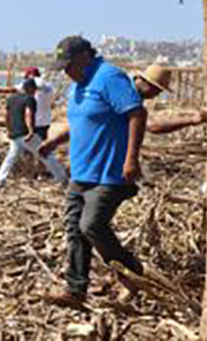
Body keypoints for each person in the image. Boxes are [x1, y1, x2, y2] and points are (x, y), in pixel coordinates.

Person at [39, 36, 148, 308]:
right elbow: (82, 122)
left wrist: (131, 159)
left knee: (92, 226)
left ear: (86, 56)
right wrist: (54, 141)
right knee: (75, 230)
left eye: (69, 64)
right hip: (81, 173)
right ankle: (75, 291)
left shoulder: (109, 77)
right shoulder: (77, 86)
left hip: (110, 173)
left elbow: (137, 114)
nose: (66, 71)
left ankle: (133, 273)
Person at [133, 64, 207, 133]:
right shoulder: (130, 99)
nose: (156, 95)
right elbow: (151, 125)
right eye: (156, 90)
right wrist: (190, 120)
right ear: (146, 82)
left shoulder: (131, 92)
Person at [0, 79, 37, 189]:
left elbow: (6, 116)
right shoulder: (29, 99)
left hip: (14, 133)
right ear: (30, 89)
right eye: (34, 89)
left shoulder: (11, 98)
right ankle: (62, 178)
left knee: (11, 157)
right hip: (24, 133)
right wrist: (31, 130)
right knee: (46, 153)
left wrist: (8, 129)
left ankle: (0, 180)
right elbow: (28, 114)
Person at [17, 67, 54, 140]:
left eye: (27, 76)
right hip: (45, 121)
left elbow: (12, 89)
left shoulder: (31, 83)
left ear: (31, 75)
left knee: (29, 146)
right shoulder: (49, 86)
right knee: (41, 145)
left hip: (33, 122)